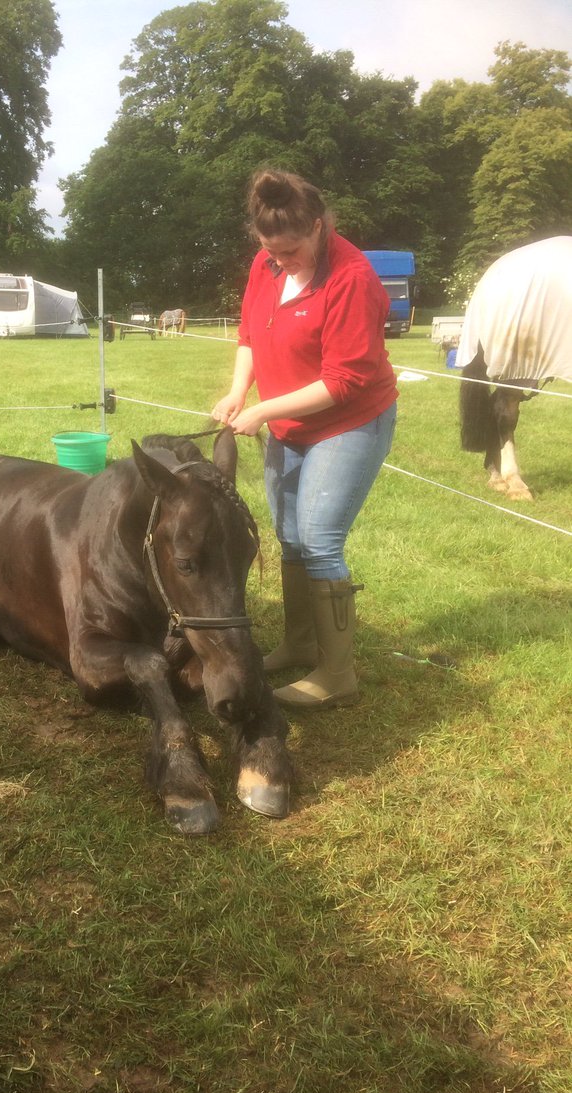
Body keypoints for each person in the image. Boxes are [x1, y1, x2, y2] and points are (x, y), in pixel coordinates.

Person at [212, 168, 397, 709]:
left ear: (319, 227)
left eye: (290, 251)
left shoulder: (352, 279)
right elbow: (250, 334)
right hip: (289, 423)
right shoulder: (264, 265)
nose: (281, 261)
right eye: (271, 252)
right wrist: (238, 392)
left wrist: (265, 410)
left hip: (349, 422)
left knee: (318, 539)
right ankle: (299, 642)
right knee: (288, 534)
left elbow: (344, 382)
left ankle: (337, 674)